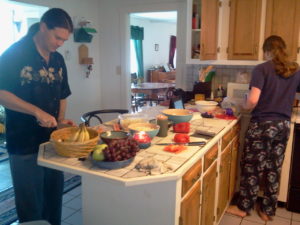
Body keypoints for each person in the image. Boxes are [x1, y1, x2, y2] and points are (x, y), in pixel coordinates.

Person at [0, 8, 75, 225]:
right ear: (43, 27)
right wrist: (36, 111)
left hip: (53, 142)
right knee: (30, 204)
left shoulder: (58, 59)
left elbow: (63, 94)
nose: (60, 43)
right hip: (24, 143)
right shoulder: (15, 54)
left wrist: (60, 121)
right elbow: (2, 93)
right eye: (57, 37)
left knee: (53, 198)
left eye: (64, 39)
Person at [227, 35, 300, 221]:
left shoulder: (262, 69)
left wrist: (242, 104)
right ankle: (268, 211)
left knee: (252, 168)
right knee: (274, 168)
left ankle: (244, 208)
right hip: (283, 126)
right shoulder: (295, 69)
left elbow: (252, 100)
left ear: (267, 50)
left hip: (262, 126)